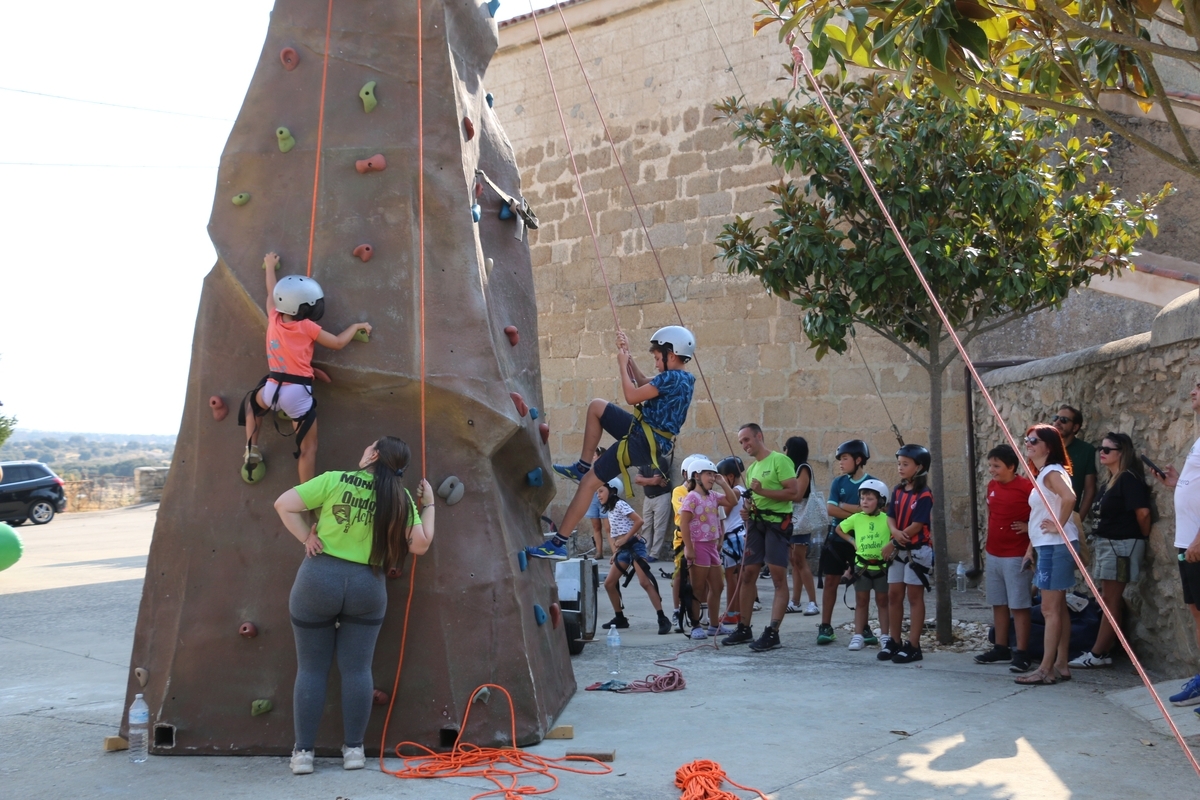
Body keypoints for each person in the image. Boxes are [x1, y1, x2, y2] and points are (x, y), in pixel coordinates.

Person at [272, 436, 434, 775]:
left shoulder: (334, 479)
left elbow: (283, 504)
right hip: (367, 586)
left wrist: (307, 537)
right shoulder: (401, 497)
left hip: (318, 579)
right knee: (358, 670)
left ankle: (303, 754)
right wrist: (429, 505)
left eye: (366, 448)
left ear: (373, 455)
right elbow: (419, 545)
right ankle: (355, 751)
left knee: (311, 669)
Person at [528, 326, 696, 560]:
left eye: (658, 358)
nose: (657, 363)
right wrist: (627, 355)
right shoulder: (681, 378)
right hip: (645, 434)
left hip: (642, 441)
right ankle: (583, 465)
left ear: (672, 355)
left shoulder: (673, 378)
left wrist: (620, 364)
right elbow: (641, 380)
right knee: (597, 406)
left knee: (588, 484)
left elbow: (631, 395)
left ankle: (558, 543)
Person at [240, 252, 372, 485]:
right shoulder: (308, 327)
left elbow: (272, 292)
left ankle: (252, 447)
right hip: (298, 393)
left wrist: (270, 266)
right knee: (307, 449)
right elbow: (338, 343)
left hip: (272, 388)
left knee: (252, 403)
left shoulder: (274, 318)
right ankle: (306, 497)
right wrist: (356, 326)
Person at [1070, 432, 1152, 669]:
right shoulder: (1110, 481)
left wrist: (1141, 537)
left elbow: (1143, 513)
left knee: (1110, 600)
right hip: (1109, 544)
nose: (1102, 453)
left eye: (1108, 450)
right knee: (1108, 598)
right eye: (1100, 449)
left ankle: (1097, 653)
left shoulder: (1128, 478)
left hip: (1121, 546)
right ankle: (1103, 650)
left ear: (1122, 453)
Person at [721, 424, 799, 652]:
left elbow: (793, 492)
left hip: (776, 525)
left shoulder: (779, 461)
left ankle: (773, 632)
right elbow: (752, 498)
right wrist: (747, 509)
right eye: (741, 442)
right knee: (747, 574)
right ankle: (744, 627)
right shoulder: (753, 469)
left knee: (777, 577)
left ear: (759, 436)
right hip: (756, 524)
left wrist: (763, 492)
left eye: (747, 440)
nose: (745, 445)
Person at [1015, 424, 1081, 686]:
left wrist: (1058, 525)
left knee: (1049, 609)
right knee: (1058, 608)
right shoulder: (1045, 473)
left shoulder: (1051, 472)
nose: (1028, 443)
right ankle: (1061, 663)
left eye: (1034, 440)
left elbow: (1070, 498)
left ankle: (1045, 669)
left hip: (1056, 546)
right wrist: (1031, 548)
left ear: (1049, 446)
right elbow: (1040, 513)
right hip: (1049, 546)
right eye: (1027, 439)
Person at [1156, 380, 1200, 711]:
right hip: (1188, 541)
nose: (1192, 392)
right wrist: (1177, 484)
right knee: (1197, 613)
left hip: (1197, 542)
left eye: (1199, 387)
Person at [974, 444, 1037, 673]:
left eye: (997, 466)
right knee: (998, 602)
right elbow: (991, 513)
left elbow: (1042, 515)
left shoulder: (1027, 487)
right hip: (993, 554)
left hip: (1016, 555)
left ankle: (1022, 652)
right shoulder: (992, 486)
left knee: (1019, 605)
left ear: (1011, 467)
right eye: (990, 465)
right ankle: (1000, 647)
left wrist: (1029, 526)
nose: (992, 470)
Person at [879, 444, 934, 664]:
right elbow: (890, 515)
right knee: (894, 594)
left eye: (905, 464)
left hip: (916, 551)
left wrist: (895, 541)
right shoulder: (899, 490)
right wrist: (894, 533)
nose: (900, 468)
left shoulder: (924, 494)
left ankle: (913, 645)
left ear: (919, 467)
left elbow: (918, 524)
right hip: (898, 550)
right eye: (899, 463)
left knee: (914, 596)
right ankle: (894, 640)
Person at [598, 478, 673, 635]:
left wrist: (626, 538)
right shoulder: (610, 509)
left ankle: (662, 618)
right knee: (609, 584)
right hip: (623, 550)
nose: (598, 495)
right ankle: (620, 618)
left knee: (645, 582)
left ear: (612, 490)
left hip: (635, 547)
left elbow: (639, 521)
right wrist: (616, 552)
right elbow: (617, 533)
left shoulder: (620, 504)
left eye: (601, 491)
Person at [819, 439, 875, 645]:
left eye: (844, 458)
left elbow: (875, 511)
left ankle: (864, 626)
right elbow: (831, 510)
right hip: (837, 539)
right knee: (831, 581)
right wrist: (860, 509)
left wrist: (846, 506)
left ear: (858, 460)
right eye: (839, 459)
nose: (840, 463)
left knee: (863, 585)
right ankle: (825, 625)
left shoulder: (872, 483)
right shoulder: (838, 483)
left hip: (863, 541)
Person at [679, 457, 737, 638]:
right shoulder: (691, 498)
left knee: (717, 586)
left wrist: (722, 483)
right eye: (709, 474)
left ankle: (713, 625)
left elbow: (733, 501)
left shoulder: (713, 496)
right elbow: (684, 524)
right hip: (698, 545)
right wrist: (688, 548)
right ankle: (696, 625)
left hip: (712, 546)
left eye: (714, 474)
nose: (712, 478)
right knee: (698, 587)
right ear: (697, 476)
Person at [833, 479, 892, 651]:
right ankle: (858, 635)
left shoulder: (887, 519)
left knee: (882, 601)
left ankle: (885, 636)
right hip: (862, 568)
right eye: (862, 498)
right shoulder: (856, 518)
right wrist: (852, 541)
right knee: (861, 601)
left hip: (882, 568)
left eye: (870, 498)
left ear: (881, 501)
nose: (864, 502)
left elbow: (896, 533)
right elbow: (839, 529)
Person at [783, 436, 820, 617]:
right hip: (791, 520)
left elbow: (797, 495)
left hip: (801, 520)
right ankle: (795, 601)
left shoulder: (803, 468)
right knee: (794, 560)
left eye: (786, 448)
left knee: (799, 559)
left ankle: (813, 601)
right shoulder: (792, 470)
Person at [717, 456, 748, 629]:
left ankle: (731, 614)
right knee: (737, 577)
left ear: (729, 476)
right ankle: (736, 612)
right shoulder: (743, 490)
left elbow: (724, 514)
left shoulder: (734, 492)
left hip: (731, 538)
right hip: (739, 536)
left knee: (731, 578)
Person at [1051, 405, 1097, 522]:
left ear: (1075, 427)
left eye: (1064, 420)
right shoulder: (1044, 446)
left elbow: (1089, 489)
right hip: (1041, 516)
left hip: (1068, 518)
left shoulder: (1086, 450)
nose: (1057, 422)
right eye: (1056, 418)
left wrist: (1078, 520)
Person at [635, 454, 674, 561]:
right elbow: (637, 479)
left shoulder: (661, 461)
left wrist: (646, 481)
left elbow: (655, 481)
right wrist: (652, 481)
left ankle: (654, 554)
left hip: (662, 496)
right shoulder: (644, 461)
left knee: (659, 526)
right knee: (646, 525)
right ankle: (645, 552)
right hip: (648, 498)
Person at [584, 447, 610, 556]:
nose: (593, 457)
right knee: (596, 526)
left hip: (605, 497)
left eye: (595, 455)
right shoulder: (591, 469)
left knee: (608, 527)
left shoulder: (608, 467)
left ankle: (615, 553)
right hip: (593, 498)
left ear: (600, 456)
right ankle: (599, 552)